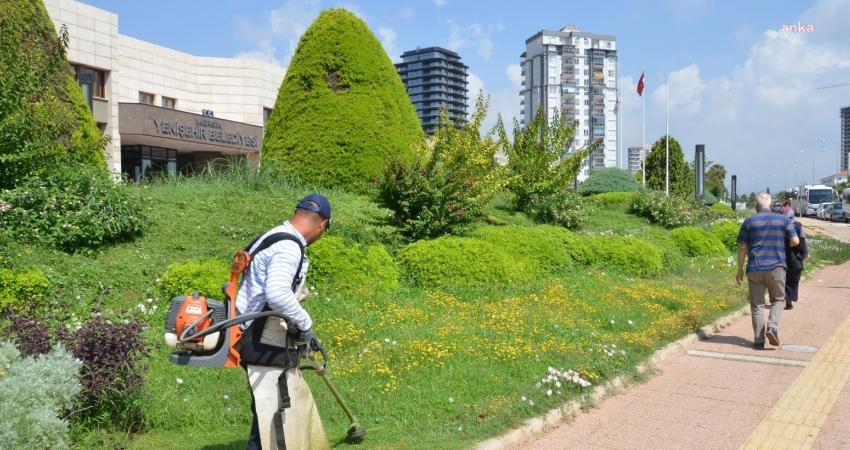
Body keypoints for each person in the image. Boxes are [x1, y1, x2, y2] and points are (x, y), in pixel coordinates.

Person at [235, 193, 332, 450]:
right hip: (260, 337)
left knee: (268, 407)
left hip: (250, 331)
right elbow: (276, 293)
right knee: (272, 410)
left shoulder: (274, 235)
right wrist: (306, 324)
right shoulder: (289, 246)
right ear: (321, 224)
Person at [736, 192, 800, 349]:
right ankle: (772, 327)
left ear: (756, 205)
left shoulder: (749, 221)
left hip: (755, 268)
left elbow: (743, 246)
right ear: (770, 204)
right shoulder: (783, 219)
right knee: (778, 299)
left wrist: (739, 270)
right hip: (777, 267)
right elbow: (795, 240)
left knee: (757, 304)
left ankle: (759, 340)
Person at [784, 220, 809, 310]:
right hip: (796, 257)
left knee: (783, 278)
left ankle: (782, 299)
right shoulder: (799, 225)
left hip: (782, 256)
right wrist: (806, 253)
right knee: (793, 279)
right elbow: (803, 240)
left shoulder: (779, 223)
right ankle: (789, 300)